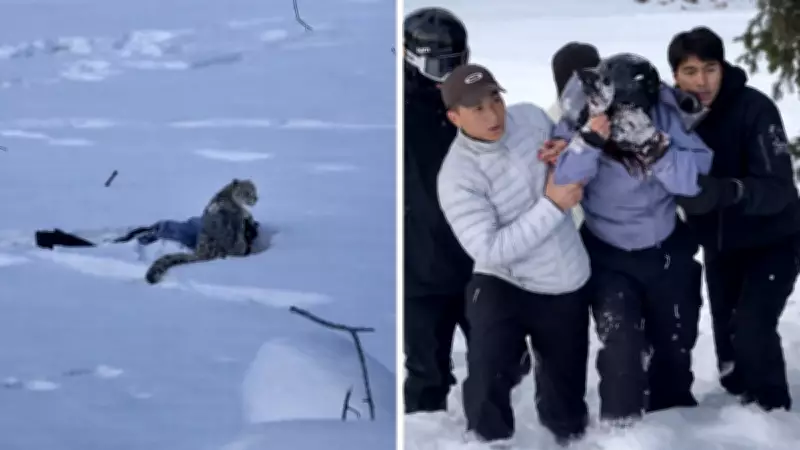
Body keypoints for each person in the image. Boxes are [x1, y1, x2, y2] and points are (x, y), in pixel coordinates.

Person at [551, 53, 712, 425]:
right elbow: (561, 179)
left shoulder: (668, 114)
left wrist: (655, 147)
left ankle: (672, 426)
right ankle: (621, 431)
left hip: (665, 248)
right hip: (608, 253)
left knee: (675, 341)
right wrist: (591, 138)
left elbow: (696, 178)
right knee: (622, 345)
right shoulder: (581, 114)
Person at [437, 63, 591, 446]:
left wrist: (567, 149)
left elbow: (574, 147)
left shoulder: (531, 118)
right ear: (455, 117)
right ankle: (491, 441)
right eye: (478, 109)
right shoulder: (456, 176)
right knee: (487, 373)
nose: (493, 114)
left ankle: (566, 436)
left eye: (496, 100)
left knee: (566, 407)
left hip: (564, 279)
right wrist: (553, 205)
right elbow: (489, 248)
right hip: (503, 280)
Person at [670, 26, 800, 412]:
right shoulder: (672, 115)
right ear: (675, 75)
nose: (702, 81)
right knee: (731, 351)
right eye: (690, 71)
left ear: (723, 67)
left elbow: (779, 188)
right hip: (721, 246)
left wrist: (727, 191)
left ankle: (774, 412)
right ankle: (739, 414)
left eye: (710, 68)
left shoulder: (754, 109)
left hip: (774, 239)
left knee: (752, 328)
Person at [402, 7, 477, 414]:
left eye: (456, 63)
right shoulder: (397, 111)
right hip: (419, 268)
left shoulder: (476, 99)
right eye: (438, 66)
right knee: (426, 373)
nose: (449, 75)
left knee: (501, 362)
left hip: (477, 257)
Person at [35, 216, 270, 255]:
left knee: (106, 248)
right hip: (154, 237)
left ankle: (53, 238)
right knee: (105, 251)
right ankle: (53, 239)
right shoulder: (213, 230)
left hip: (156, 231)